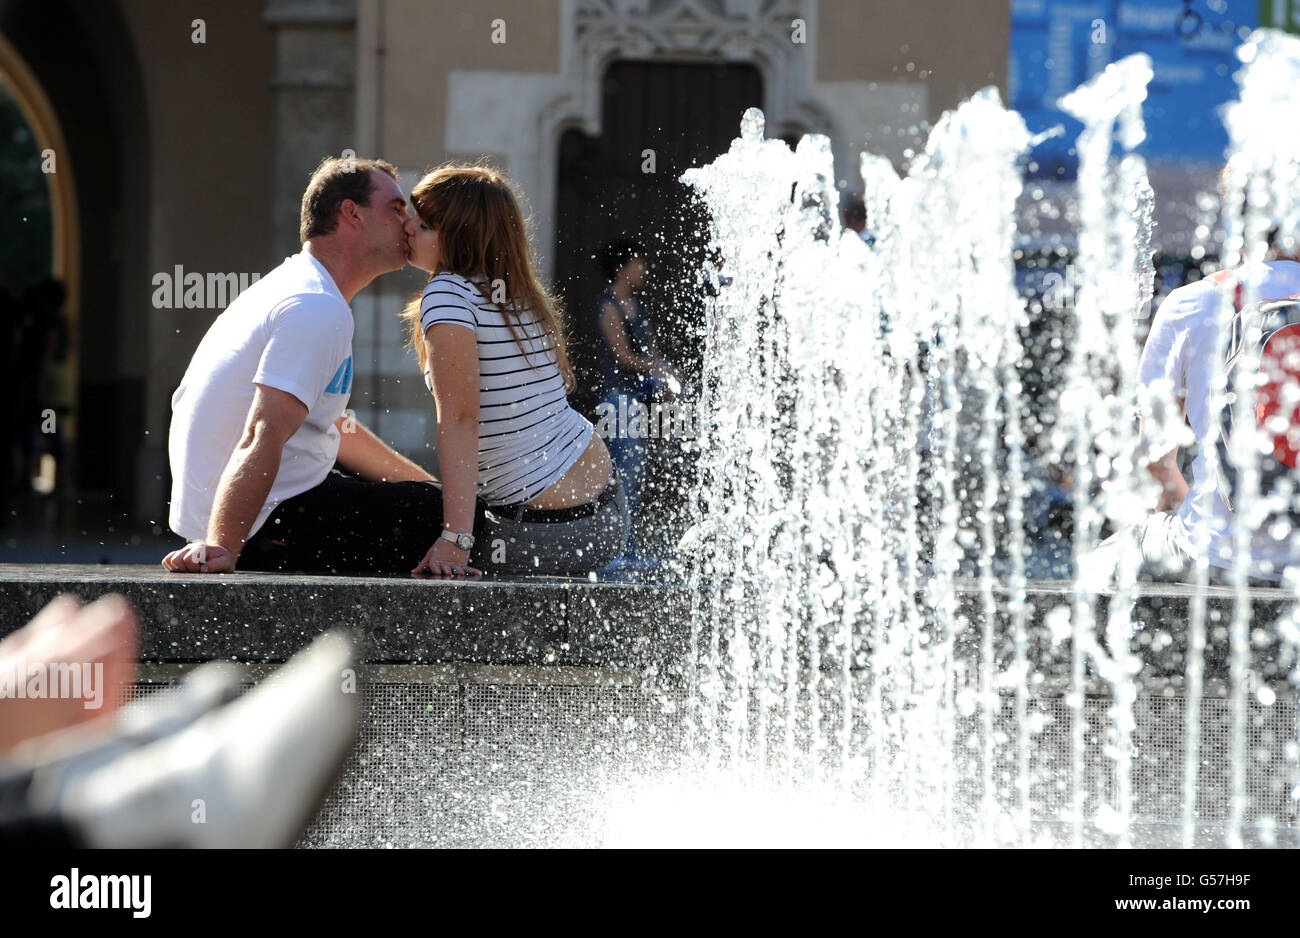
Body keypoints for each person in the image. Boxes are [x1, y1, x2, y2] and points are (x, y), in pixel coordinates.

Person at [163, 155, 480, 578]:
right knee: (464, 528)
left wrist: (423, 484)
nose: (407, 223)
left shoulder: (297, 287)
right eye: (396, 208)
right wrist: (221, 547)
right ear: (351, 213)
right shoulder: (315, 306)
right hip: (256, 525)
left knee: (435, 505)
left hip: (249, 511)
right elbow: (264, 430)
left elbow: (335, 428)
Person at [400, 164, 628, 575]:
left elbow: (461, 418)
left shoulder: (447, 293)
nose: (409, 229)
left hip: (550, 530)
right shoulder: (516, 291)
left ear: (460, 237)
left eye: (426, 224)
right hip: (609, 511)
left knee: (389, 533)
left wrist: (456, 538)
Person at [1082, 226, 1300, 587]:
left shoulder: (1194, 301)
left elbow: (1157, 462)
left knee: (1101, 564)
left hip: (1218, 555)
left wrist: (1184, 512)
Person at [592, 239, 681, 563]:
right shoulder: (609, 307)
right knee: (624, 476)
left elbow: (651, 353)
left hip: (637, 402)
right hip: (618, 402)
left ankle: (626, 549)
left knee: (636, 476)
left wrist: (665, 380)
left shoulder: (637, 307)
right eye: (638, 264)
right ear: (623, 268)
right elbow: (624, 357)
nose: (642, 270)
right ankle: (614, 552)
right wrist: (661, 368)